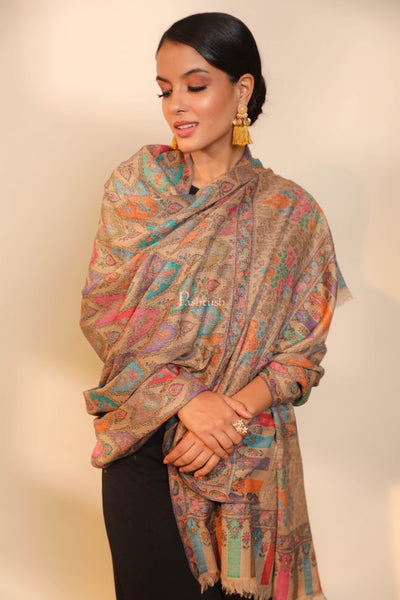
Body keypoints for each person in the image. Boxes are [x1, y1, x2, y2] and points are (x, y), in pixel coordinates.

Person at [80, 12, 351, 600]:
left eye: (195, 85)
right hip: (145, 448)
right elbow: (105, 314)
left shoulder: (293, 214)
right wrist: (189, 399)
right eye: (165, 90)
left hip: (246, 458)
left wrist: (225, 420)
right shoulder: (136, 189)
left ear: (242, 90)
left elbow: (301, 356)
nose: (176, 105)